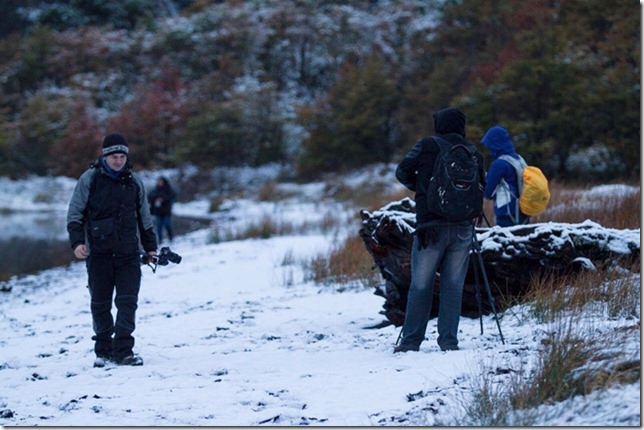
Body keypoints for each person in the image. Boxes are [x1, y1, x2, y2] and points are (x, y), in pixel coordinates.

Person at [394, 107, 486, 353]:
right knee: (453, 286)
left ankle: (411, 341)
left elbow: (401, 171)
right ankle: (448, 341)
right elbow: (482, 185)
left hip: (430, 226)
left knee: (421, 285)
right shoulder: (473, 152)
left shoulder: (427, 145)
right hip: (463, 228)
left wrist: (422, 189)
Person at [67, 133, 157, 367]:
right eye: (114, 156)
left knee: (128, 302)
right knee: (100, 304)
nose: (119, 161)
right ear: (105, 156)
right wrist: (77, 243)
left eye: (122, 156)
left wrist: (151, 248)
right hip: (98, 255)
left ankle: (124, 351)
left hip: (128, 254)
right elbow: (75, 214)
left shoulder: (134, 181)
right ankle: (103, 349)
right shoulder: (90, 179)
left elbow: (144, 218)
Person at [480, 125, 529, 227]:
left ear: (494, 144)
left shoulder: (499, 164)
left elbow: (488, 193)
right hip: (524, 210)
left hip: (506, 213)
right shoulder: (519, 159)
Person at [148, 176, 177, 244]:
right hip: (158, 211)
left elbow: (172, 197)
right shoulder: (155, 190)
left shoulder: (168, 189)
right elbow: (150, 197)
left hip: (166, 211)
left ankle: (170, 237)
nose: (160, 183)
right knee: (159, 226)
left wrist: (163, 199)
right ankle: (160, 240)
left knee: (167, 224)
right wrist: (155, 199)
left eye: (161, 182)